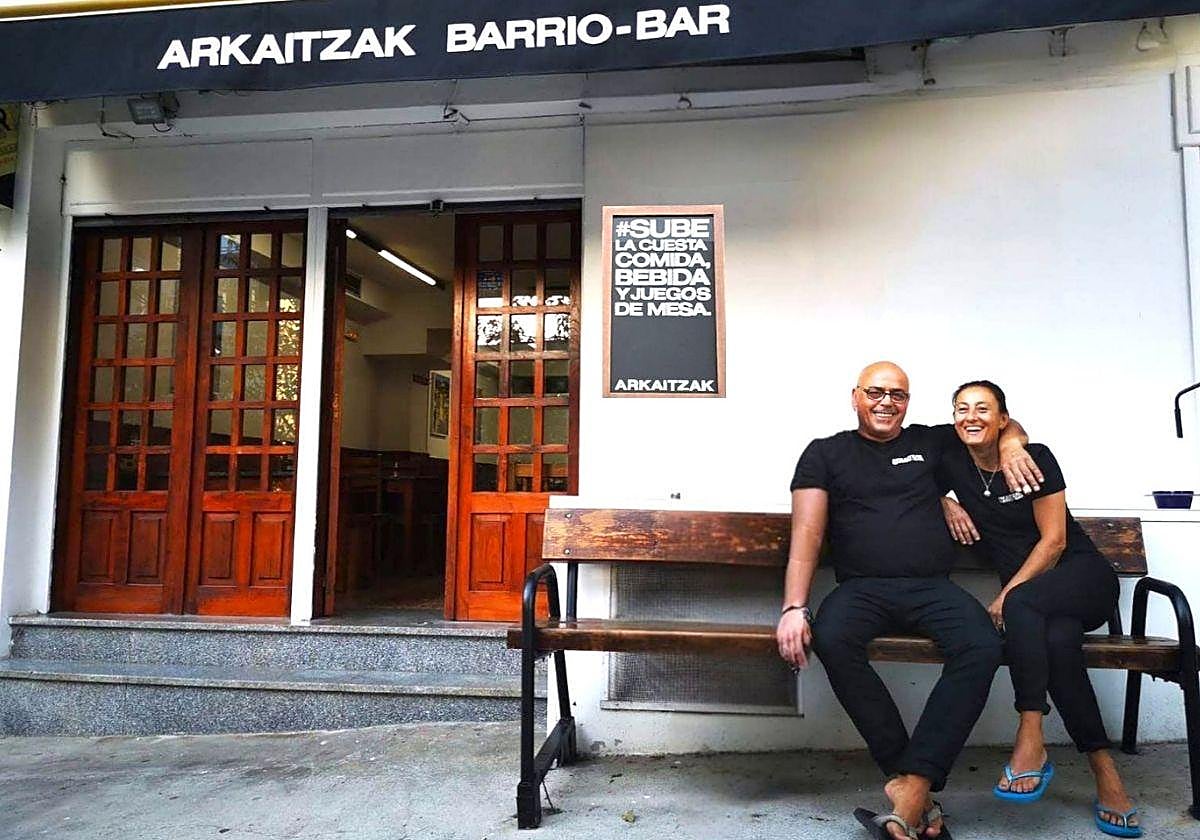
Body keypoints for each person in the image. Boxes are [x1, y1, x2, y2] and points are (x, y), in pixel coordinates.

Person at [777, 361, 1043, 840]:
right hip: (861, 589)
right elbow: (807, 535)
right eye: (876, 392)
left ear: (908, 402)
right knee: (832, 638)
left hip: (930, 587)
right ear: (855, 396)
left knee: (983, 645)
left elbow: (996, 425)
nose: (886, 402)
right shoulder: (825, 453)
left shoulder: (931, 442)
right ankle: (907, 778)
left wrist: (1011, 444)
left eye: (897, 394)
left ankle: (913, 787)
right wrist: (794, 608)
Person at [938, 381, 1141, 838]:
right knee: (1058, 643)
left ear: (1003, 419)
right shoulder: (952, 462)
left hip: (1083, 580)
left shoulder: (1035, 458)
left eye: (983, 409)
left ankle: (1030, 733)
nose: (971, 416)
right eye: (961, 409)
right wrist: (944, 502)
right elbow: (903, 480)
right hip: (1037, 608)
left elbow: (1055, 543)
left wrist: (1007, 595)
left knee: (1024, 604)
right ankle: (1106, 774)